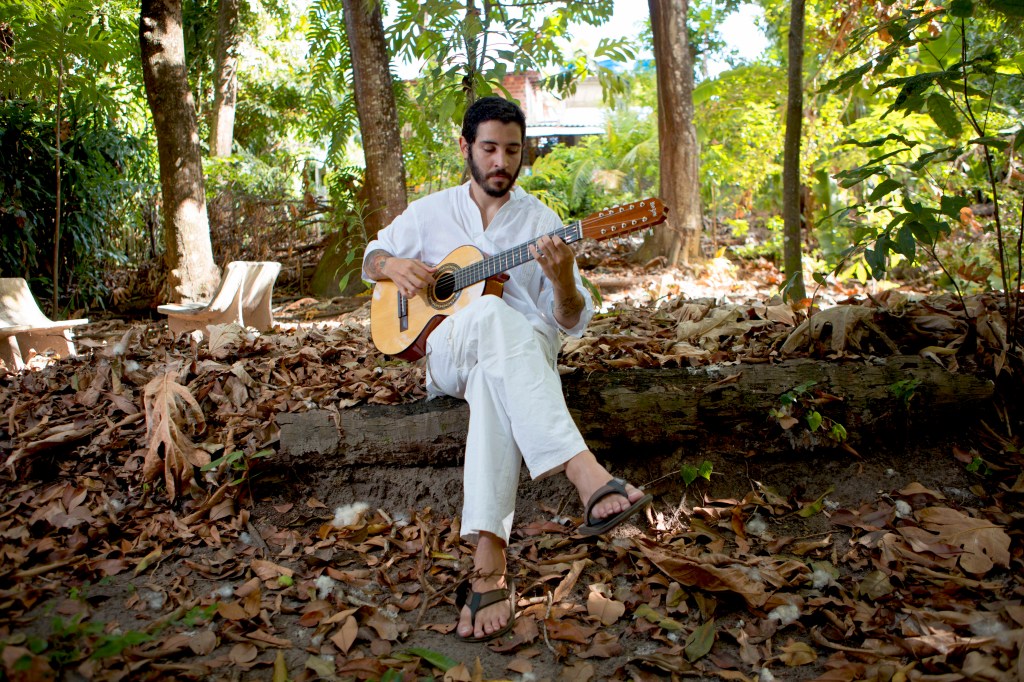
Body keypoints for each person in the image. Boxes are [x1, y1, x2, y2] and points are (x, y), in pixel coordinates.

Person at [361, 96, 652, 642]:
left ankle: (489, 564)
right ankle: (584, 471)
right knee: (491, 312)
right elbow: (371, 258)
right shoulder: (429, 212)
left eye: (512, 151)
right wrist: (393, 265)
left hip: (522, 360)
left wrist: (562, 279)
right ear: (466, 147)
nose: (501, 162)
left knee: (494, 373)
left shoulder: (542, 222)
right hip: (447, 350)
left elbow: (570, 320)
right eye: (490, 148)